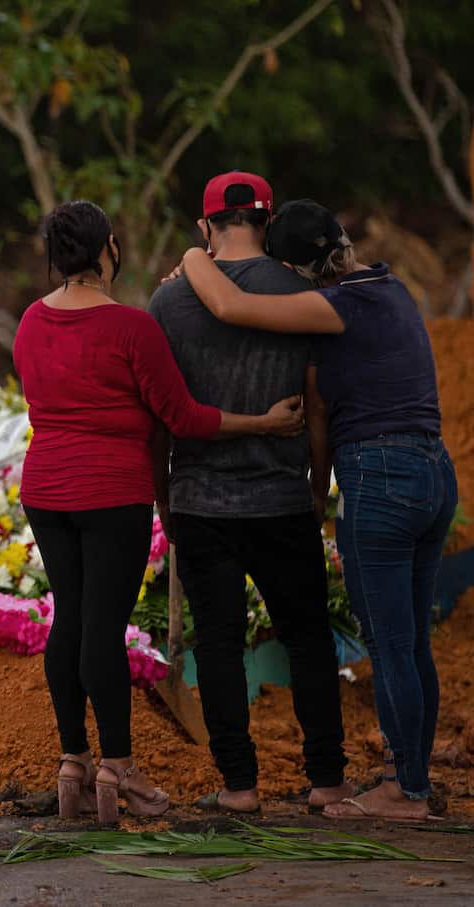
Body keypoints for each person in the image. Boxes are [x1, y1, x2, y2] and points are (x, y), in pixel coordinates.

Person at [14, 200, 305, 824]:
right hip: (111, 491)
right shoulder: (130, 327)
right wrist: (264, 422)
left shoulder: (30, 323)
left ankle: (73, 761)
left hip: (45, 488)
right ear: (108, 249)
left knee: (69, 617)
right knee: (103, 628)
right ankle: (117, 767)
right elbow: (183, 418)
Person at [179, 199, 458, 821]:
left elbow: (230, 305)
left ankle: (405, 791)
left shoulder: (336, 305)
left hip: (382, 476)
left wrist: (195, 254)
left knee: (388, 646)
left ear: (298, 270)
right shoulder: (389, 288)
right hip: (434, 472)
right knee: (410, 643)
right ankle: (408, 776)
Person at [147, 172, 354, 815]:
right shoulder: (299, 293)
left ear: (206, 227)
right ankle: (326, 780)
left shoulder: (169, 305)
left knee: (218, 645)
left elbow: (159, 419)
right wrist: (317, 489)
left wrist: (164, 499)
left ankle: (239, 786)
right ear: (265, 224)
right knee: (308, 638)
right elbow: (317, 407)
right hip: (281, 497)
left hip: (201, 500)